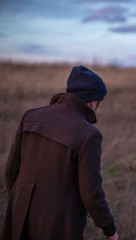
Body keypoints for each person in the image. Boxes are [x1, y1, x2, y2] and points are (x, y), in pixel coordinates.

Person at [1, 66, 118, 240]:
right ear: (94, 103)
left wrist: (18, 201)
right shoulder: (89, 134)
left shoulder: (30, 116)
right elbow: (91, 193)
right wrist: (110, 229)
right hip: (58, 223)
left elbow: (11, 170)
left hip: (19, 212)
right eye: (100, 104)